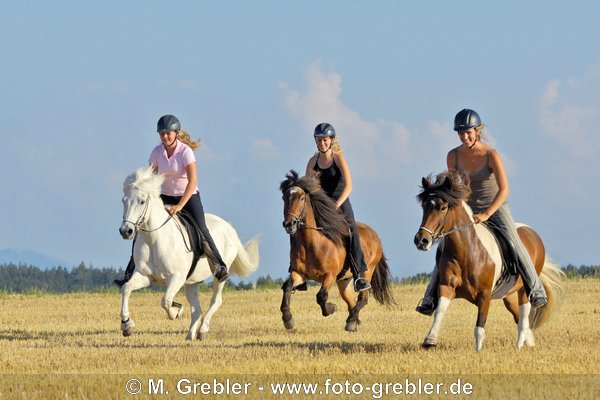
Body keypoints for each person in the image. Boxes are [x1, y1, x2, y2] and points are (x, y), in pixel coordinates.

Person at [415, 108, 548, 315]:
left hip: (495, 207)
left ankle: (535, 288)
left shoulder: (490, 155)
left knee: (513, 241)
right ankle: (429, 298)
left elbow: (505, 190)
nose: (464, 136)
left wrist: (486, 214)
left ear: (477, 131)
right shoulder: (453, 156)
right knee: (444, 246)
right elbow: (454, 189)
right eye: (460, 133)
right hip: (468, 209)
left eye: (468, 132)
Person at [114, 114, 229, 286]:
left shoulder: (185, 152)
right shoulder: (156, 152)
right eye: (162, 133)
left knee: (202, 228)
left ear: (176, 133)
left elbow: (193, 182)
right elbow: (150, 177)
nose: (165, 136)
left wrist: (180, 205)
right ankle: (130, 272)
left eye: (168, 133)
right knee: (141, 228)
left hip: (188, 196)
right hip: (165, 196)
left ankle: (220, 266)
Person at [304, 122, 371, 292]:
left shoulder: (338, 158)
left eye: (325, 140)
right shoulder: (313, 161)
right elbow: (307, 187)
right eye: (318, 140)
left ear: (331, 140)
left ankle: (358, 276)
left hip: (340, 202)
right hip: (321, 204)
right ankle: (298, 269)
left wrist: (336, 204)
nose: (322, 143)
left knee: (351, 231)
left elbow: (349, 186)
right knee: (300, 226)